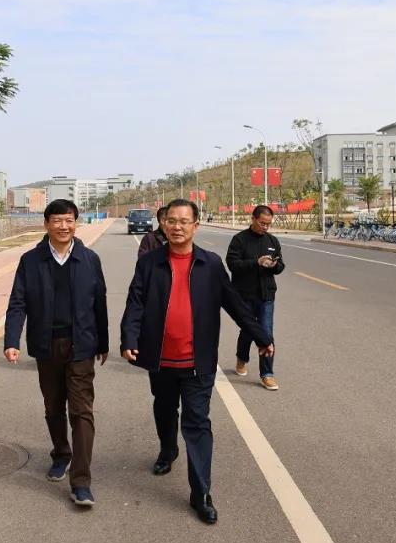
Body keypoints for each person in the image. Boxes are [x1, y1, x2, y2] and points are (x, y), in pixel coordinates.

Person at [120, 199, 273, 524]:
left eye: (184, 221)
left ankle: (200, 493)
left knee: (197, 423)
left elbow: (234, 303)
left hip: (197, 361)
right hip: (161, 359)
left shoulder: (210, 264)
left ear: (195, 226)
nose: (177, 227)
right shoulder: (149, 263)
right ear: (164, 225)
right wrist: (129, 337)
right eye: (171, 221)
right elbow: (136, 301)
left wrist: (261, 336)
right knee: (164, 409)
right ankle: (168, 450)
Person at [4, 199, 108, 507]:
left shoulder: (89, 259)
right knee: (53, 407)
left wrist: (103, 343)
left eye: (69, 220)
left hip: (81, 345)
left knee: (82, 411)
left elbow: (99, 303)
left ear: (76, 222)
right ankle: (61, 454)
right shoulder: (30, 260)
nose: (64, 226)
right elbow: (18, 302)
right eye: (57, 220)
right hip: (46, 345)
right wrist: (12, 340)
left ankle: (81, 481)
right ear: (46, 223)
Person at [225, 205, 285, 390]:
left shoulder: (272, 240)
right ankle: (242, 358)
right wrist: (256, 263)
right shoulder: (239, 239)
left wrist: (274, 265)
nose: (265, 227)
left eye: (268, 224)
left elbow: (281, 265)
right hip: (244, 295)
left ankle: (267, 374)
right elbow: (232, 264)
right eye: (262, 223)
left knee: (266, 333)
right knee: (248, 330)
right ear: (253, 219)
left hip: (266, 295)